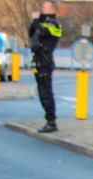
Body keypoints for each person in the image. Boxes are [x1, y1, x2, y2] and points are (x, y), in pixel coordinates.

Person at [29, 1, 62, 133]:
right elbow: (32, 32)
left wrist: (36, 20)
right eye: (42, 7)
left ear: (52, 10)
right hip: (39, 61)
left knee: (46, 92)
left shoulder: (55, 25)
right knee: (42, 93)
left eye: (45, 7)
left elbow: (43, 31)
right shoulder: (41, 22)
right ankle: (49, 120)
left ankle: (51, 121)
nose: (42, 9)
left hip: (45, 61)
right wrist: (36, 21)